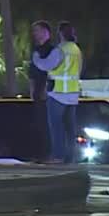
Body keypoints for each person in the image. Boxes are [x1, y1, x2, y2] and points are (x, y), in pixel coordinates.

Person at [32, 22, 82, 163]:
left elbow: (46, 65)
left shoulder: (61, 49)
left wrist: (36, 58)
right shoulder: (76, 49)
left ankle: (58, 155)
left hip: (58, 93)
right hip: (72, 93)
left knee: (56, 126)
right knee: (70, 128)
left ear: (60, 34)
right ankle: (70, 156)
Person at [29, 21, 56, 157]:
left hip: (47, 92)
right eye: (34, 31)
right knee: (39, 124)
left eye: (37, 30)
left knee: (47, 124)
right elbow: (32, 72)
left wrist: (46, 88)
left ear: (46, 32)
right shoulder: (35, 50)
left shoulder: (52, 50)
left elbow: (51, 71)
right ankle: (40, 153)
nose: (35, 33)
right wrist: (32, 88)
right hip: (37, 91)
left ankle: (48, 152)